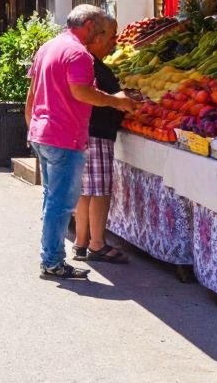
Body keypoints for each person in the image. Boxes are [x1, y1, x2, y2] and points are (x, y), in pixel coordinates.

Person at [27, 5, 137, 280]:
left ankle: (50, 256)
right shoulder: (78, 53)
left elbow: (32, 93)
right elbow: (81, 92)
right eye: (101, 28)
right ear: (88, 24)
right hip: (64, 136)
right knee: (61, 204)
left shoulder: (49, 47)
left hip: (44, 133)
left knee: (52, 200)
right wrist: (116, 101)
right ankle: (52, 261)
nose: (103, 35)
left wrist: (32, 126)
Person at [73, 17, 129, 264]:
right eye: (111, 36)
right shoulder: (88, 62)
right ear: (96, 37)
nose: (114, 42)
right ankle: (97, 243)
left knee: (86, 191)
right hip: (95, 133)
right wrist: (119, 101)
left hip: (86, 132)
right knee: (99, 191)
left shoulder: (89, 61)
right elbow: (88, 94)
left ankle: (81, 242)